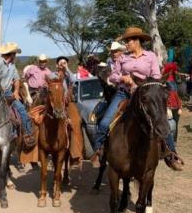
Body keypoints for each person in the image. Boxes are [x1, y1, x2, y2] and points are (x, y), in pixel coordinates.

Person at [90, 27, 184, 171]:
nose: (126, 44)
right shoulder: (122, 58)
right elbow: (113, 76)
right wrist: (123, 77)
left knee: (162, 121)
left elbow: (157, 77)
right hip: (124, 94)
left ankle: (171, 154)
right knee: (104, 123)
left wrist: (144, 83)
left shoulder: (150, 56)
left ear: (137, 41)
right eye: (126, 41)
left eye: (129, 41)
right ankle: (99, 152)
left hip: (146, 95)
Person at [55, 56, 84, 168]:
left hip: (67, 103)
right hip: (56, 103)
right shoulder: (53, 74)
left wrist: (67, 69)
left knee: (76, 121)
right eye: (61, 63)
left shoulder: (68, 75)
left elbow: (74, 80)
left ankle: (75, 154)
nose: (63, 64)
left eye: (65, 62)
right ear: (57, 65)